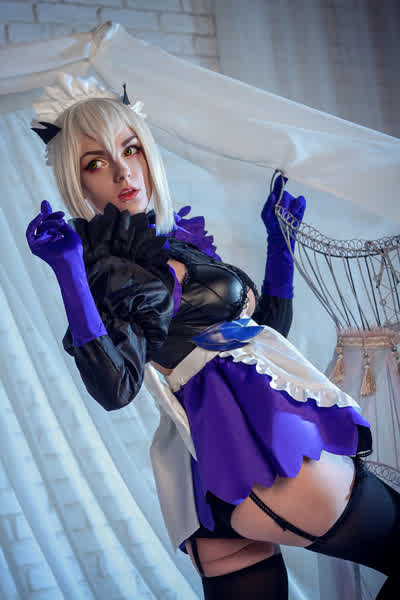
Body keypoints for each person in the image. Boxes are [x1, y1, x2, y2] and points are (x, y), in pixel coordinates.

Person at [26, 73, 399, 599]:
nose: (123, 170)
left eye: (130, 149)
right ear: (77, 182)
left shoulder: (172, 243)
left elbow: (264, 335)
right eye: (95, 163)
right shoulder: (109, 269)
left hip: (212, 479)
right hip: (261, 456)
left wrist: (280, 245)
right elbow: (116, 387)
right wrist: (69, 272)